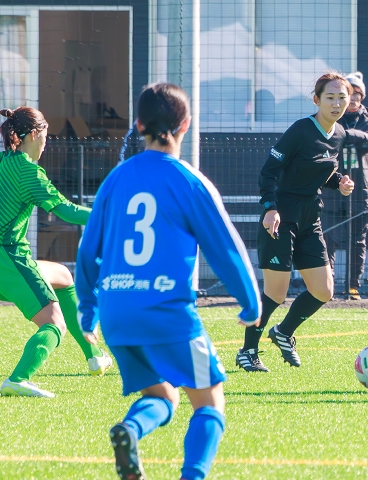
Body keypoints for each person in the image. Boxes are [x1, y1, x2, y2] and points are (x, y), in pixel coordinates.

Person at [75, 83, 261, 480]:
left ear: (138, 124)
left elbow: (88, 248)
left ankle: (131, 428)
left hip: (117, 314)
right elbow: (225, 247)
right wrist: (249, 301)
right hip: (167, 313)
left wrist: (88, 309)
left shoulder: (115, 180)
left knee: (161, 394)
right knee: (209, 402)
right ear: (186, 125)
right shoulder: (189, 181)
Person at [235, 72, 355, 372]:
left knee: (324, 290)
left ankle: (283, 332)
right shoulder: (300, 130)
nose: (337, 103)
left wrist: (339, 181)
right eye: (330, 97)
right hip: (282, 217)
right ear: (316, 100)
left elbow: (320, 170)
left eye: (342, 97)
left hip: (310, 217)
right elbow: (269, 172)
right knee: (276, 291)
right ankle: (248, 351)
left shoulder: (339, 133)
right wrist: (270, 208)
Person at [0, 107, 112, 399]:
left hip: (8, 258)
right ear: (34, 134)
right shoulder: (28, 171)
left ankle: (95, 355)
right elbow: (65, 210)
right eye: (46, 136)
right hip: (8, 258)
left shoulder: (4, 162)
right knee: (54, 323)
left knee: (62, 275)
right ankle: (18, 379)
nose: (46, 143)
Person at [323, 71, 368, 300]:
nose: (354, 98)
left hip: (361, 191)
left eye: (357, 94)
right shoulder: (330, 117)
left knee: (358, 241)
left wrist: (346, 135)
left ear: (361, 97)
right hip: (331, 190)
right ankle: (327, 288)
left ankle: (353, 287)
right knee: (327, 240)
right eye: (350, 93)